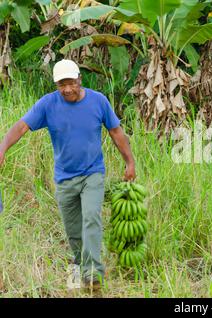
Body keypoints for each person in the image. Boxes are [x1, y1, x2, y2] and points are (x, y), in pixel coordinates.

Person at [0, 59, 136, 289]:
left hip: (93, 173)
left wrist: (129, 162)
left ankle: (93, 275)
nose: (67, 89)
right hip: (64, 178)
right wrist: (2, 149)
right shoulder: (48, 104)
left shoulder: (98, 101)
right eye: (61, 85)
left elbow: (116, 131)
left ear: (79, 79)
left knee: (91, 218)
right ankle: (79, 266)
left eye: (71, 83)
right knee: (73, 230)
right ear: (56, 85)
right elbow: (21, 126)